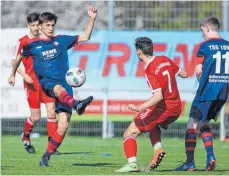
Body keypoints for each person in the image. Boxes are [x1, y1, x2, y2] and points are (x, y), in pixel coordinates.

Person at [8, 4, 97, 167]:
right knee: (56, 91)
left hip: (65, 85)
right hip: (47, 83)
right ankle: (77, 104)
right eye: (47, 25)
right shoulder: (31, 45)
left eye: (52, 25)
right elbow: (17, 59)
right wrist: (14, 73)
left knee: (62, 125)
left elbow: (85, 37)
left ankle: (46, 157)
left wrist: (92, 18)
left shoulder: (61, 40)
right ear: (40, 26)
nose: (50, 28)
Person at [115, 37, 188, 172]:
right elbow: (184, 74)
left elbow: (158, 96)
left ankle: (131, 164)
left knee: (129, 133)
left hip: (164, 107)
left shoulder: (149, 70)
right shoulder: (165, 59)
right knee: (153, 125)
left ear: (138, 52)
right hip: (177, 107)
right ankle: (157, 150)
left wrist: (139, 108)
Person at [175, 17, 229, 171]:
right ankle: (210, 156)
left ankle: (190, 162)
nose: (202, 35)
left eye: (202, 31)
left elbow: (199, 72)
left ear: (207, 28)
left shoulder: (204, 47)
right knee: (204, 122)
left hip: (207, 90)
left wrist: (202, 82)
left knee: (191, 123)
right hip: (223, 91)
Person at [12, 12, 60, 155]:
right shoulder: (23, 41)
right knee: (36, 117)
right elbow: (14, 61)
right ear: (28, 25)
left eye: (36, 25)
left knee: (52, 112)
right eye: (32, 25)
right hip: (32, 84)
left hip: (46, 83)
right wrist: (21, 74)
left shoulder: (45, 40)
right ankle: (26, 137)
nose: (35, 28)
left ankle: (52, 146)